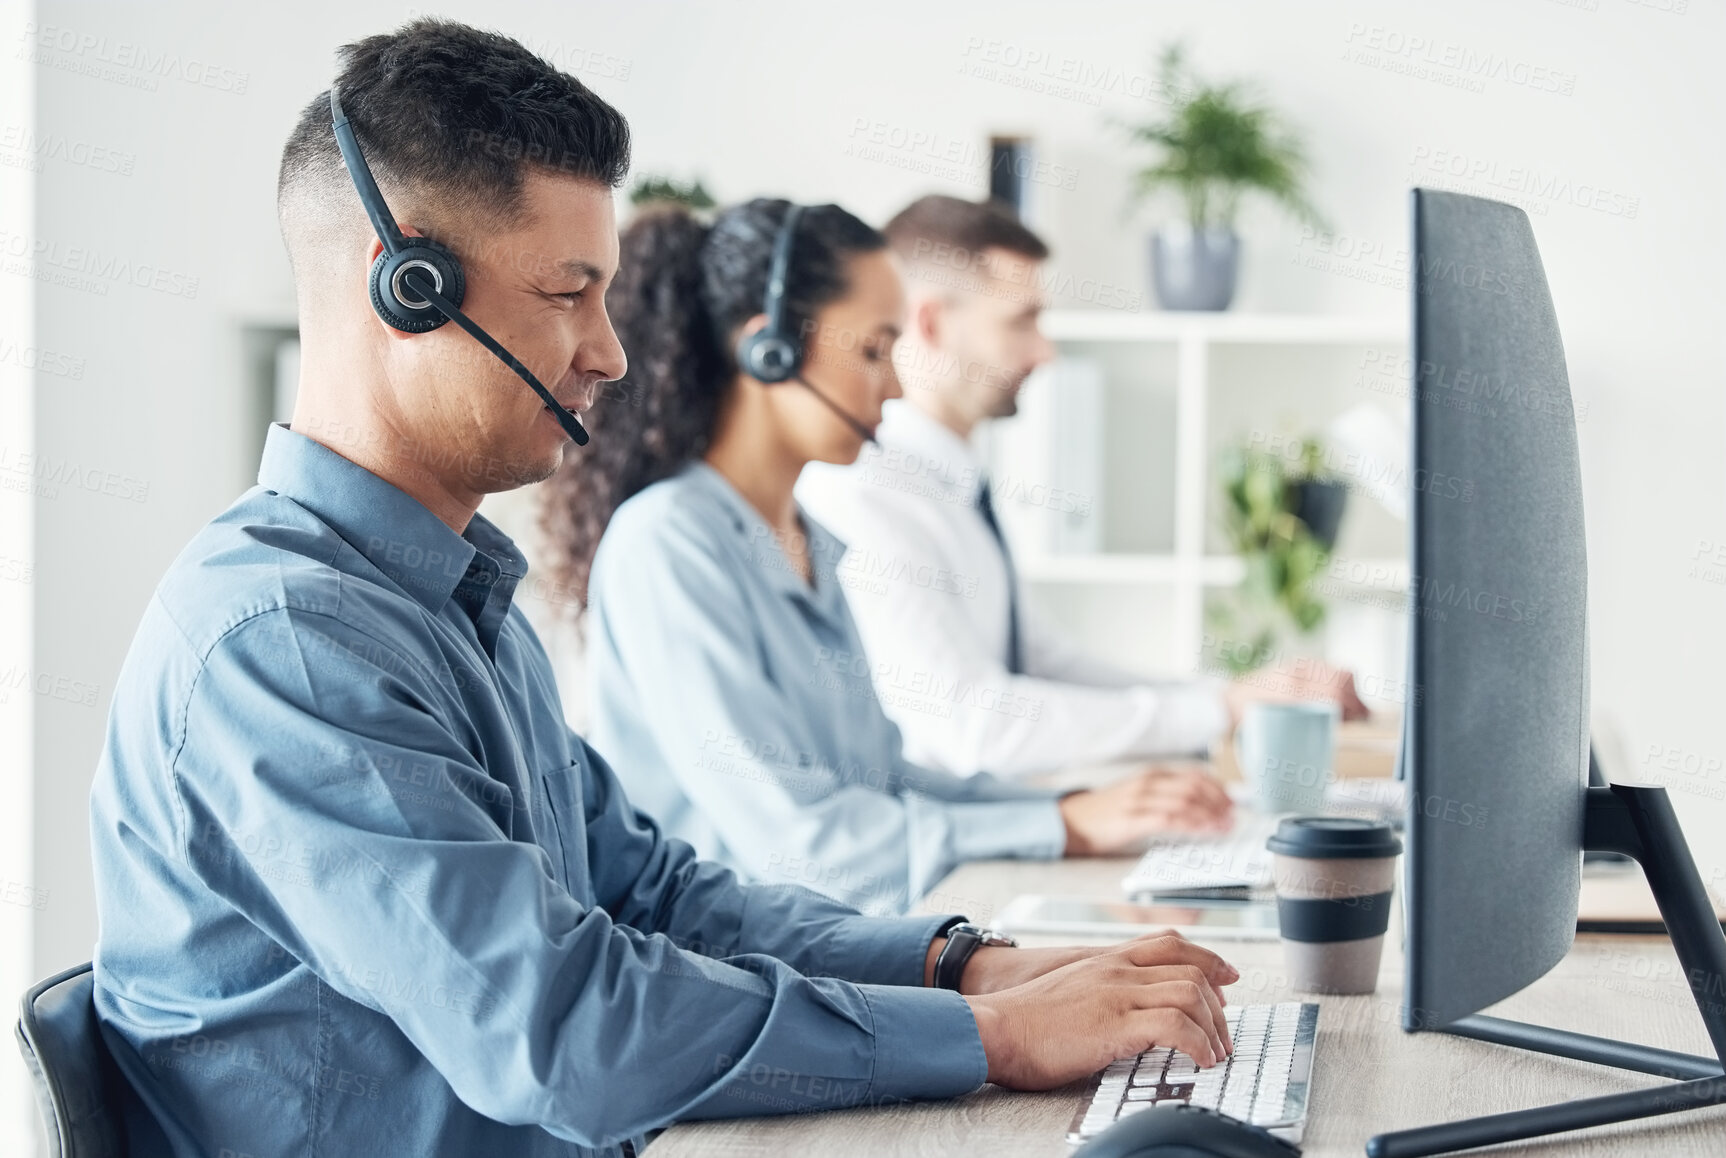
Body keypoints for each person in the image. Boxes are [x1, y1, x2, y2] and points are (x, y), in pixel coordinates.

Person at [88, 21, 1239, 1158]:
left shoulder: (455, 600)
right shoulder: (286, 642)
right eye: (566, 292)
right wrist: (985, 1034)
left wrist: (965, 962)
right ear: (408, 286)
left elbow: (659, 895)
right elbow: (566, 1029)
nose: (611, 352)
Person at [540, 196, 1235, 919]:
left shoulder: (808, 536)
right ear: (768, 350)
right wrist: (1058, 825)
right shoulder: (670, 544)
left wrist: (1075, 808)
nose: (898, 385)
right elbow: (806, 846)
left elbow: (878, 780)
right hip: (730, 977)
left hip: (821, 948)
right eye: (874, 351)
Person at [796, 195, 1367, 781]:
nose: (1046, 353)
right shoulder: (864, 495)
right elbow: (970, 726)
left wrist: (1238, 695)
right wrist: (1214, 709)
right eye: (1022, 320)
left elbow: (1045, 663)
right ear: (933, 322)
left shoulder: (951, 485)